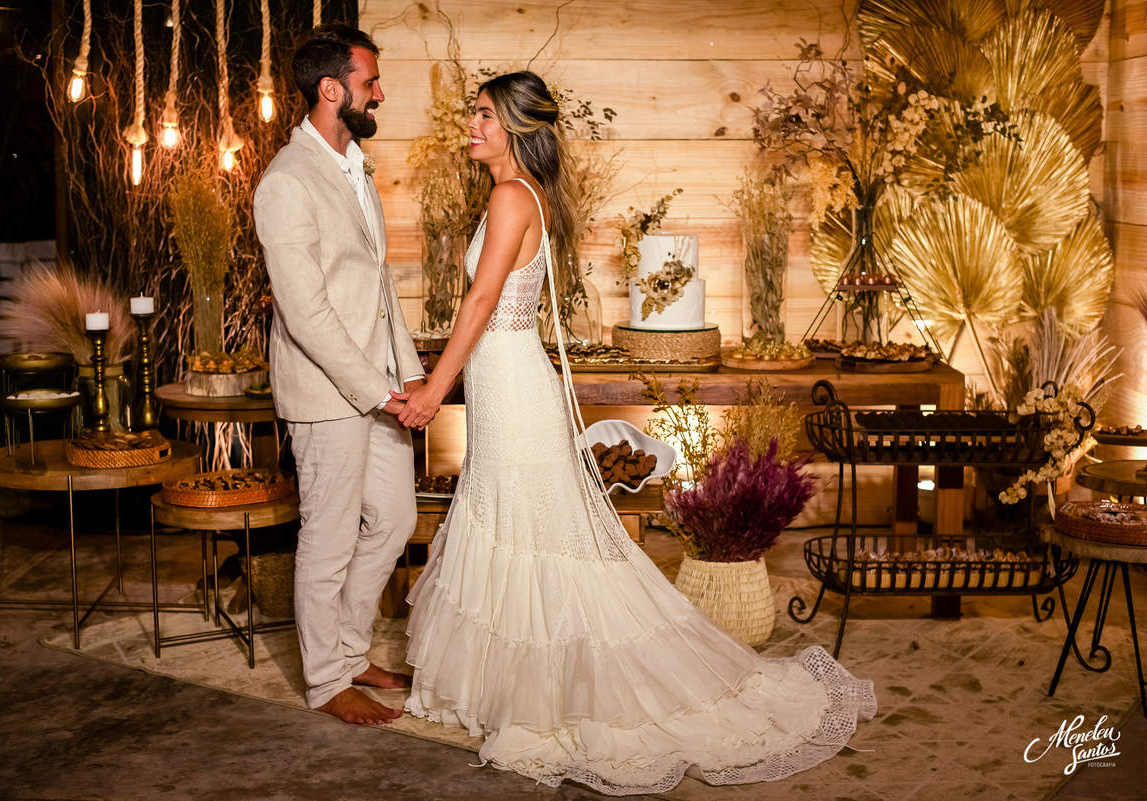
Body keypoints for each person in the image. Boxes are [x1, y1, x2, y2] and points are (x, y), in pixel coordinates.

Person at [397, 71, 877, 794]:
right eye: (473, 114)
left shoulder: (508, 195)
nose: (472, 125)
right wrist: (441, 379)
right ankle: (518, 686)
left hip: (515, 387)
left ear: (520, 128)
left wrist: (435, 387)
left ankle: (558, 693)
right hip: (506, 382)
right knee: (518, 529)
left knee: (540, 537)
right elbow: (488, 305)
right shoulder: (520, 195)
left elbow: (485, 297)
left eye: (485, 115)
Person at [253, 24, 422, 726]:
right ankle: (326, 680)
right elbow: (307, 313)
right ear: (332, 89)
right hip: (328, 394)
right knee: (327, 537)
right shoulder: (285, 182)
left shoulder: (357, 167)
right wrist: (378, 389)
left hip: (379, 381)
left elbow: (375, 288)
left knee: (395, 518)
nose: (379, 92)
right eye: (370, 81)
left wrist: (404, 377)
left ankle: (351, 649)